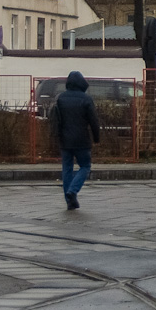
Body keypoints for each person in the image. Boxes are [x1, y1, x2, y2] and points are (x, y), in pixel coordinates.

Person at [50, 71, 101, 210]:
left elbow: (56, 120)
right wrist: (96, 137)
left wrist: (56, 137)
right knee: (85, 166)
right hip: (82, 140)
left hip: (64, 140)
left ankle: (69, 199)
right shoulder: (86, 99)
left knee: (67, 168)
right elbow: (94, 121)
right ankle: (73, 191)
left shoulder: (60, 98)